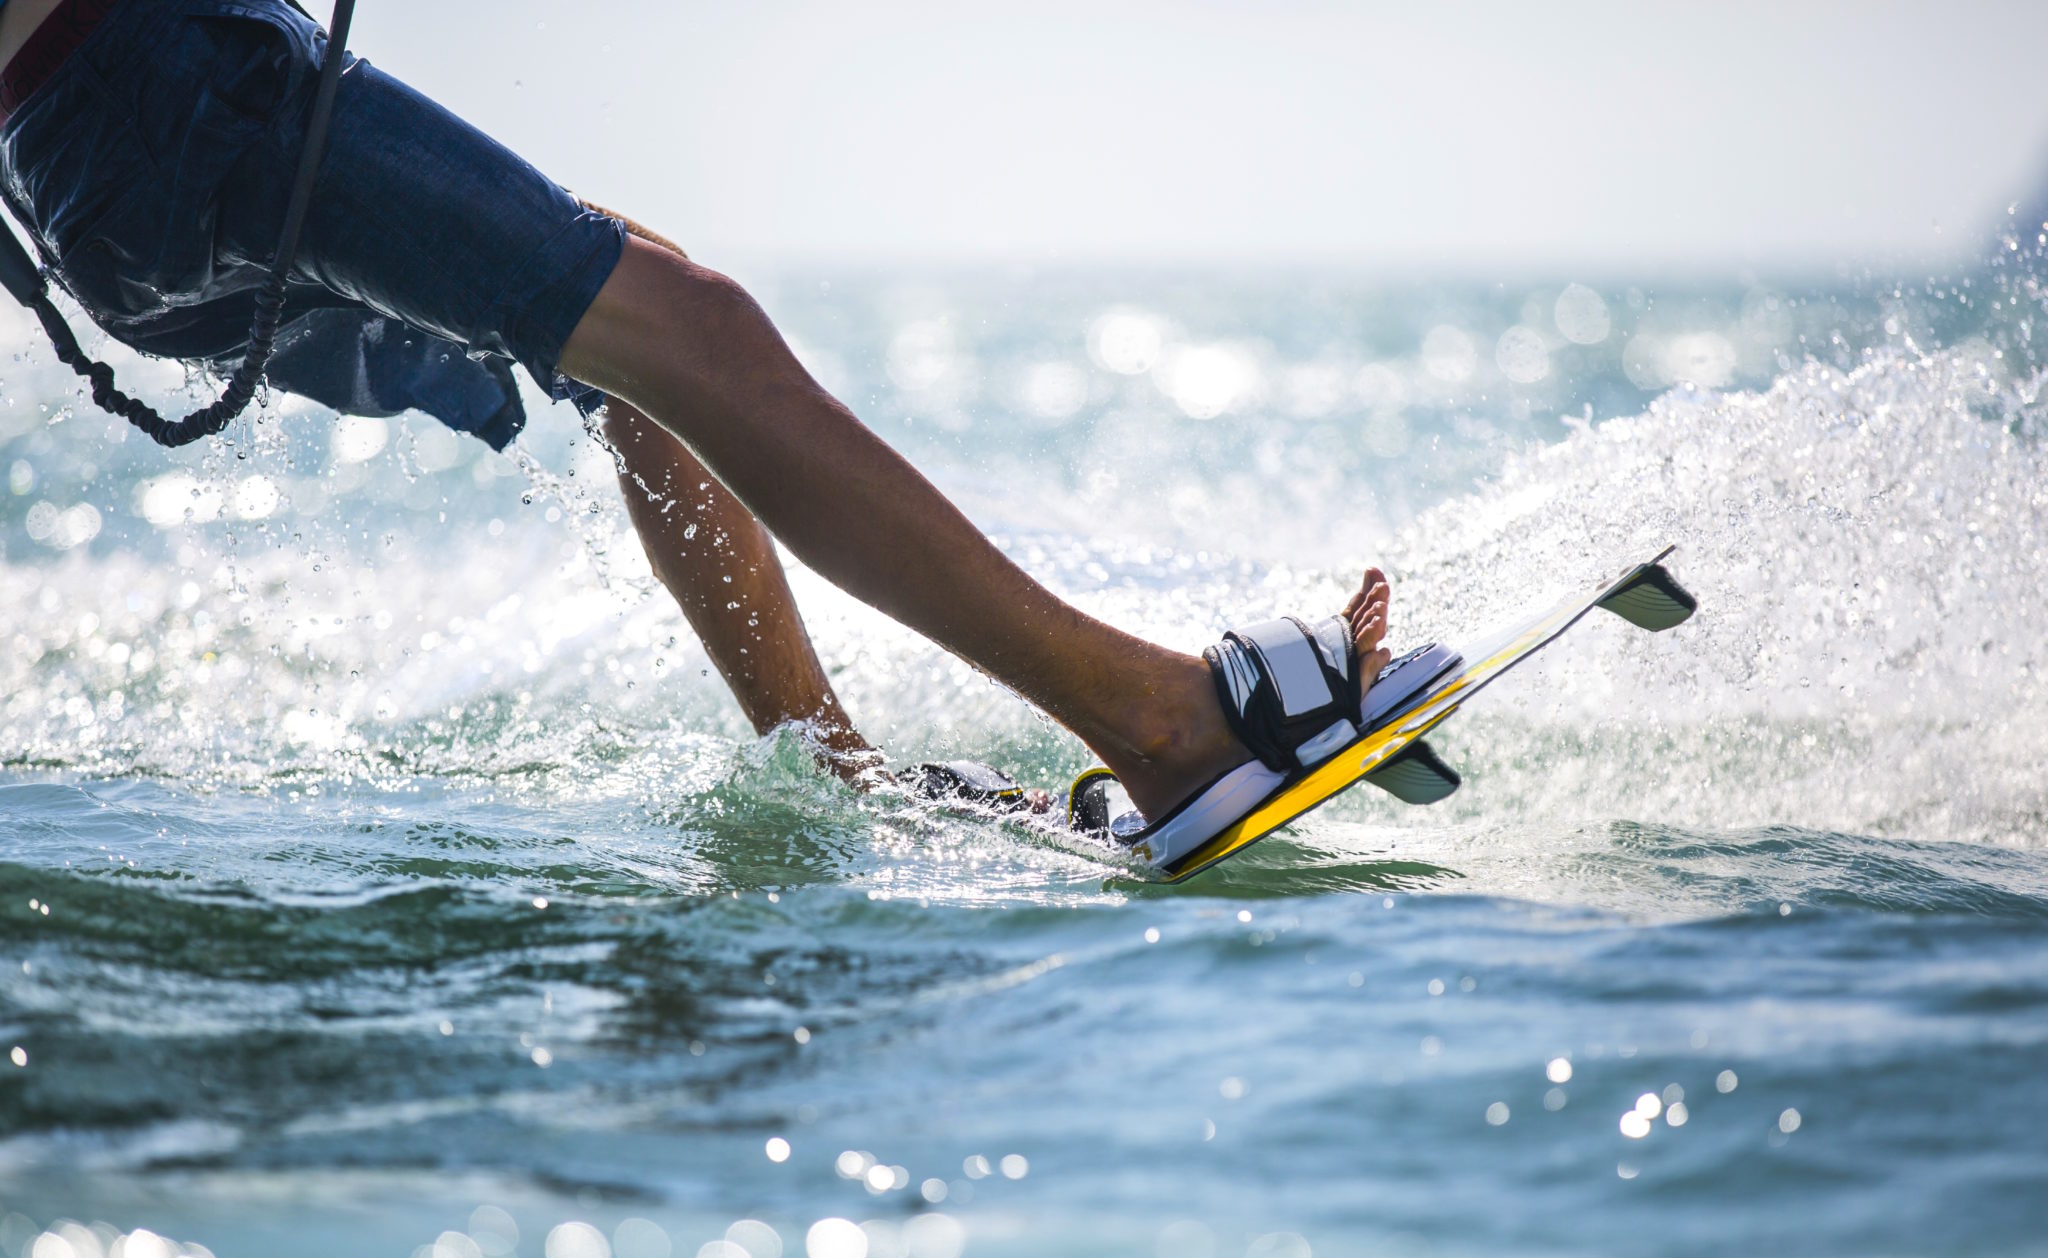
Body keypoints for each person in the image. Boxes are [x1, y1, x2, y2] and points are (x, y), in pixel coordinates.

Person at [0, 0, 1393, 836]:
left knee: (649, 347)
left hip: (115, 168)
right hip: (171, 104)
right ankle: (1162, 725)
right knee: (697, 331)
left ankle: (848, 781)